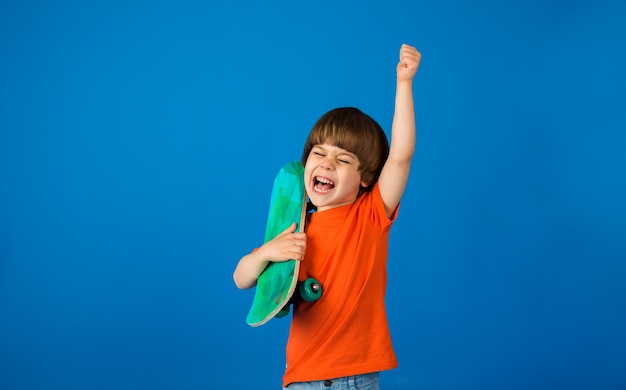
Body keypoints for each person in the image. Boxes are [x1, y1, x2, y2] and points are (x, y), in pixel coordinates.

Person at [234, 44, 421, 390]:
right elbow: (242, 280)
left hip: (356, 377)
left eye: (344, 159)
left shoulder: (371, 215)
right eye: (319, 153)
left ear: (365, 178)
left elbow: (401, 156)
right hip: (302, 377)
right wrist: (265, 253)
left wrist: (404, 83)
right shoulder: (294, 226)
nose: (327, 163)